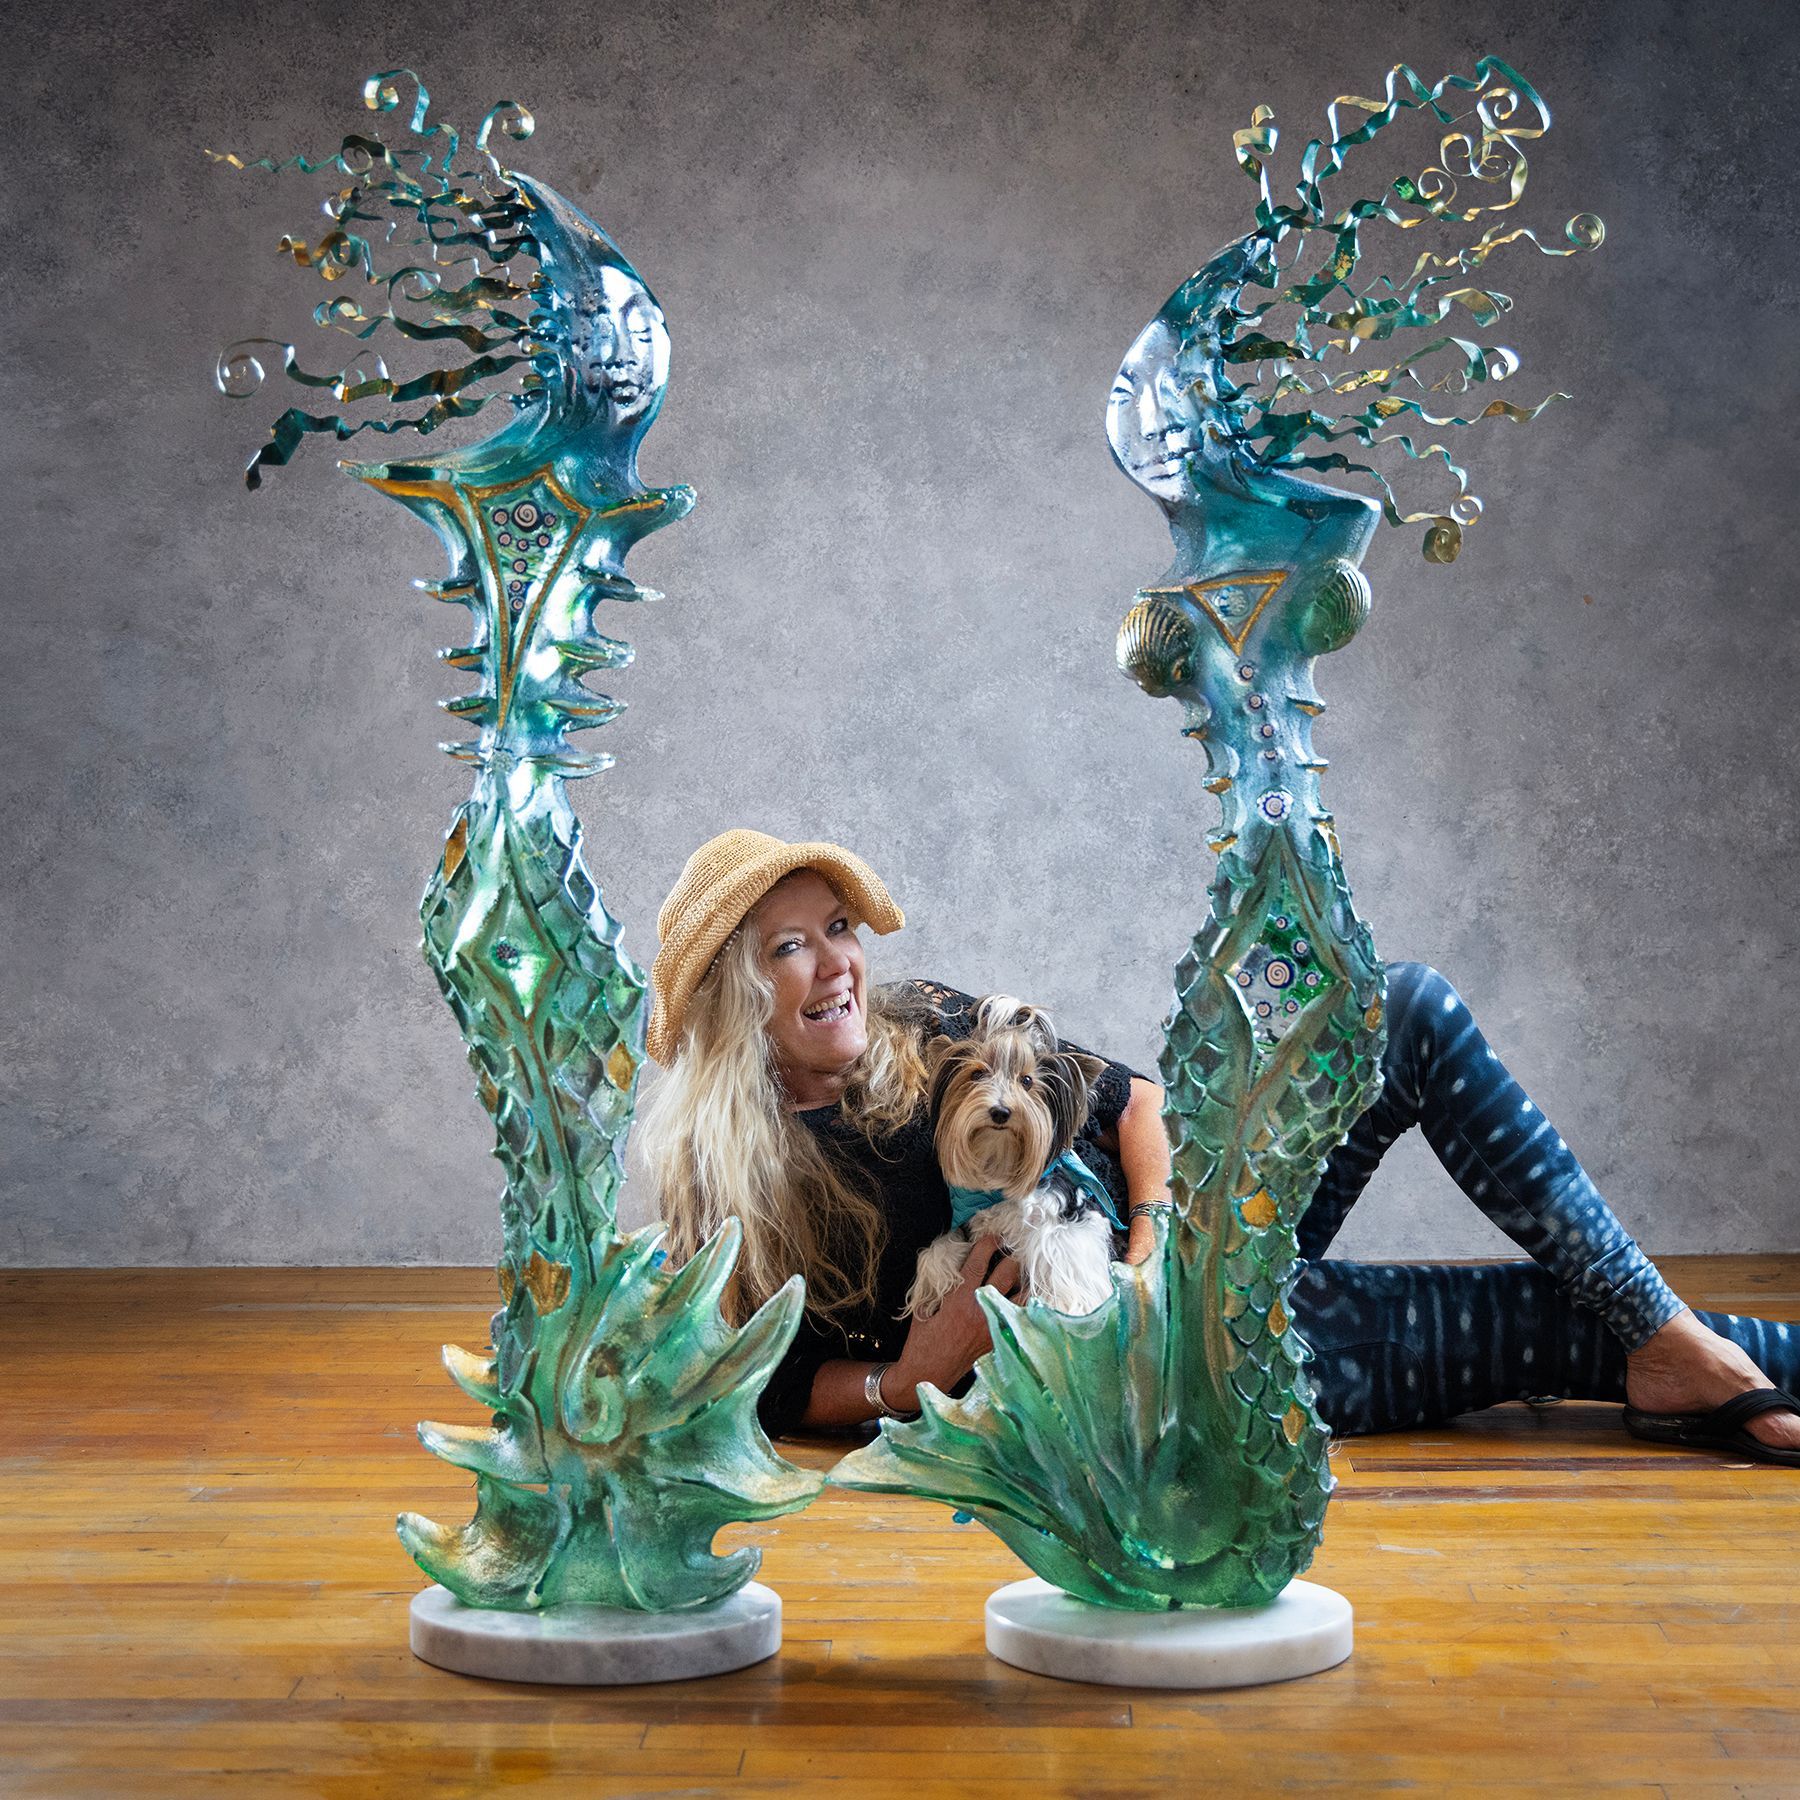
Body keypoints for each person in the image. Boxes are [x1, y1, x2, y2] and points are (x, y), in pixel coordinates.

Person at [635, 829, 1800, 1461]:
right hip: (1155, 1382)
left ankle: (1668, 1342)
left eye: (838, 927)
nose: (837, 962)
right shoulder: (723, 1184)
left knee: (1399, 1006)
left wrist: (1155, 1257)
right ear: (735, 993)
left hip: (1188, 1251)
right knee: (1547, 1327)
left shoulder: (926, 1023)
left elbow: (1137, 1107)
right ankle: (1674, 1352)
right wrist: (913, 1376)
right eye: (788, 946)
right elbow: (767, 1387)